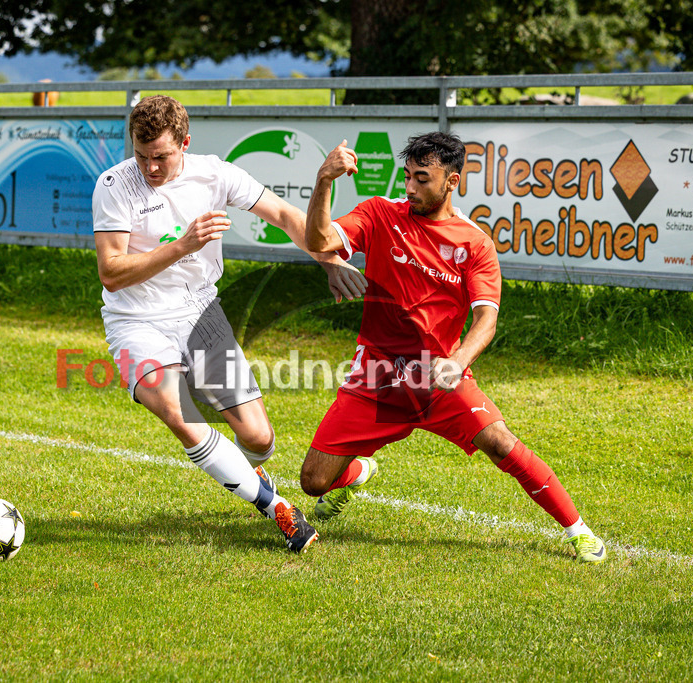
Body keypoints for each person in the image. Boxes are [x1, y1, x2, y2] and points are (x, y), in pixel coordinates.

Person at [299, 132, 607, 563]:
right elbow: (318, 242)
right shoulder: (379, 214)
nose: (409, 188)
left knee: (500, 442)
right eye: (406, 176)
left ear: (452, 181)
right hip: (377, 373)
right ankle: (357, 472)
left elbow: (487, 318)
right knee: (313, 481)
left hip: (439, 376)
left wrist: (457, 362)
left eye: (422, 179)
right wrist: (324, 181)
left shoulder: (474, 243)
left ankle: (579, 531)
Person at [92, 95, 366, 553]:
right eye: (141, 156)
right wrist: (182, 245)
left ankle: (249, 473)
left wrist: (326, 258)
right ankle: (276, 508)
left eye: (161, 156)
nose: (150, 167)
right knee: (176, 411)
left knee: (258, 438)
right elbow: (112, 273)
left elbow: (281, 215)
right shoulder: (114, 185)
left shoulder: (215, 173)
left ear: (185, 143)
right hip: (136, 319)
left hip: (200, 310)